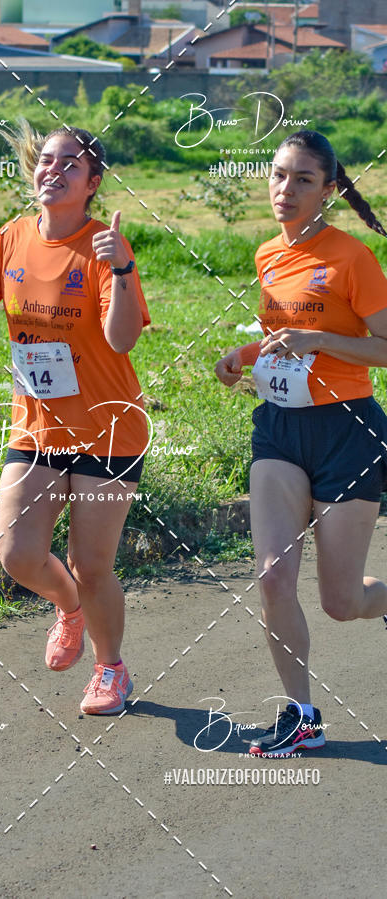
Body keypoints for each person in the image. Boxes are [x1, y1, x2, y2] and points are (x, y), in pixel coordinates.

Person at [0, 120, 151, 714]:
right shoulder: (13, 237)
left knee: (92, 564)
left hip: (108, 431)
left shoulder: (105, 246)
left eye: (71, 164)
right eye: (47, 160)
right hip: (38, 427)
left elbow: (122, 339)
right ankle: (69, 606)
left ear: (92, 183)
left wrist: (122, 270)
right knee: (17, 553)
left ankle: (110, 669)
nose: (53, 170)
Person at [215, 130, 387, 757]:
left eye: (303, 180)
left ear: (329, 190)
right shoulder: (267, 254)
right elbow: (282, 335)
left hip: (348, 431)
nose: (285, 189)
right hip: (280, 428)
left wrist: (320, 342)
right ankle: (301, 715)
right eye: (278, 175)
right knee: (272, 575)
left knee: (342, 601)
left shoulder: (352, 258)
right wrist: (242, 356)